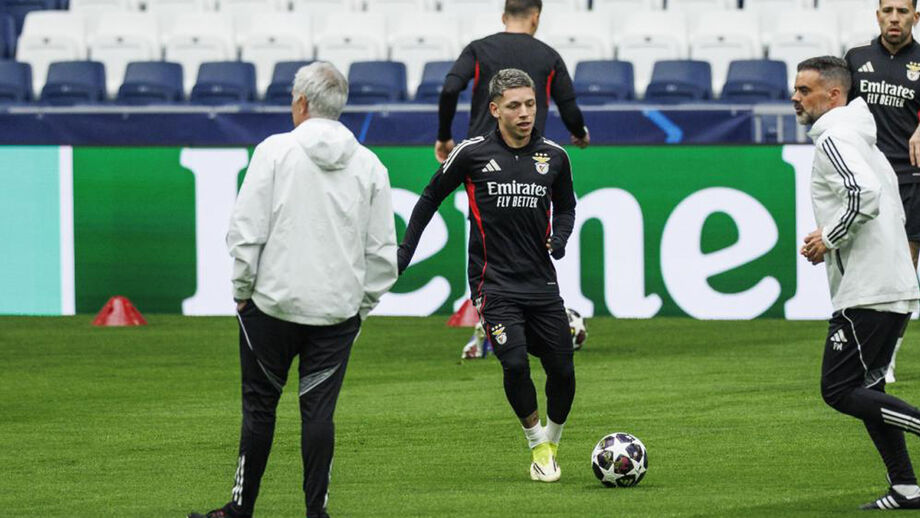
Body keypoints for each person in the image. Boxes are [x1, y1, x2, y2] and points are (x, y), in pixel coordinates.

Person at [188, 62, 398, 518]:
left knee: (260, 410)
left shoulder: (274, 152)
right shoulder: (370, 165)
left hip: (272, 308)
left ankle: (241, 509)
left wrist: (242, 290)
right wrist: (359, 307)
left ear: (301, 102)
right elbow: (383, 255)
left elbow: (245, 232)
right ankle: (316, 513)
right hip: (335, 314)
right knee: (318, 415)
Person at [400, 68, 576, 482]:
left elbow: (567, 206)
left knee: (564, 372)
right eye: (514, 106)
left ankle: (552, 439)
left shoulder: (555, 156)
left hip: (541, 283)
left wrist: (561, 237)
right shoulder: (471, 153)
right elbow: (429, 197)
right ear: (495, 109)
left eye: (530, 104)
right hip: (492, 282)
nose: (524, 113)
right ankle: (538, 446)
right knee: (514, 363)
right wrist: (405, 251)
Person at [793, 55, 920, 510]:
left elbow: (862, 194)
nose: (795, 97)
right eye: (796, 88)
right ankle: (906, 486)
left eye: (805, 90)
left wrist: (828, 237)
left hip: (871, 286)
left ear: (834, 95)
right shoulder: (860, 135)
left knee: (840, 390)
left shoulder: (836, 138)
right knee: (871, 390)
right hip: (887, 281)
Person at [845, 0, 920, 382]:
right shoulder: (856, 59)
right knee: (864, 268)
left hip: (910, 179)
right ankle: (859, 345)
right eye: (887, 10)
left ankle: (888, 355)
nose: (894, 18)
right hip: (865, 179)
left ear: (915, 17)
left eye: (902, 11)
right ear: (878, 16)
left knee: (902, 274)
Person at [434, 0, 589, 163]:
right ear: (535, 18)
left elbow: (450, 89)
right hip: (528, 158)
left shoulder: (477, 49)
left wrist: (444, 136)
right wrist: (580, 133)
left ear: (503, 17)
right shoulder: (550, 57)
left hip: (481, 158)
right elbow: (568, 108)